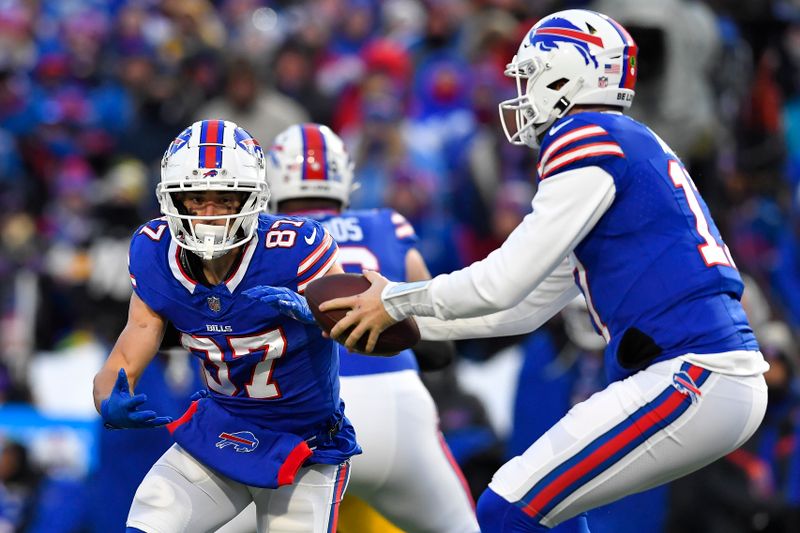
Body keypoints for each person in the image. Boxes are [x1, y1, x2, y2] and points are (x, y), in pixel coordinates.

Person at [319, 9, 770, 532]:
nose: (521, 91)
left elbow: (501, 280)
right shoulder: (622, 142)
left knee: (509, 506)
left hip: (694, 372)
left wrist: (397, 300)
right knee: (540, 505)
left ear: (568, 73)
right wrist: (418, 327)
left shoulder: (585, 134)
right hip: (702, 374)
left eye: (530, 74)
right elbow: (524, 306)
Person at [91, 119, 360, 533]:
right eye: (196, 199)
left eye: (225, 199)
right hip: (220, 429)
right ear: (173, 200)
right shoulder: (153, 252)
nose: (210, 215)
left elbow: (364, 332)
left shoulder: (295, 249)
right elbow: (131, 345)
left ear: (251, 199)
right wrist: (108, 397)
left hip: (303, 444)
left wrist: (324, 318)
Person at [247, 122, 479, 532]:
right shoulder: (387, 225)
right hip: (394, 404)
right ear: (345, 176)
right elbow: (437, 344)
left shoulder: (257, 240)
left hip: (300, 418)